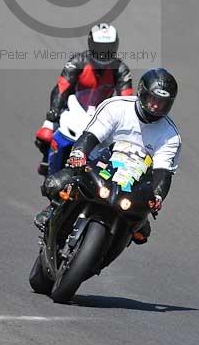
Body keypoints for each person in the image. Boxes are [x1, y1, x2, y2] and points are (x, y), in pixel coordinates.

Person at [35, 67, 181, 244]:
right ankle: (53, 210)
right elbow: (91, 135)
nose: (156, 106)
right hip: (97, 165)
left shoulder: (170, 135)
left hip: (134, 182)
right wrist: (79, 153)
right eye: (153, 99)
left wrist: (157, 197)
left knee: (142, 232)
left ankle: (112, 245)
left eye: (162, 103)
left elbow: (163, 172)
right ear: (142, 93)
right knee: (54, 184)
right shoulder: (116, 106)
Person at [34, 23, 133, 158]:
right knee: (45, 135)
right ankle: (47, 159)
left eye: (108, 48)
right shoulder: (78, 61)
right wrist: (54, 112)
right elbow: (61, 87)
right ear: (91, 45)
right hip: (73, 109)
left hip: (102, 115)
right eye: (100, 48)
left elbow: (126, 98)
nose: (104, 54)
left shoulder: (120, 69)